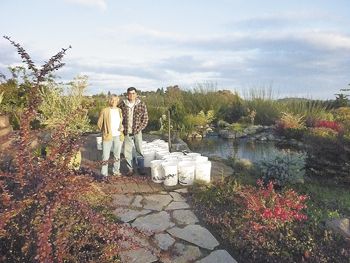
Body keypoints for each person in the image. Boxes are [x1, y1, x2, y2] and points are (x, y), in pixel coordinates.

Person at [119, 87, 148, 175]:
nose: (131, 95)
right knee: (127, 151)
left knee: (139, 150)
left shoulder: (141, 104)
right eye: (130, 93)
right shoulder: (122, 105)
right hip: (126, 132)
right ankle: (130, 169)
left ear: (136, 94)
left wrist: (139, 128)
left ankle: (141, 168)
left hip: (137, 132)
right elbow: (118, 117)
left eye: (133, 93)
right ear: (127, 94)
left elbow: (145, 118)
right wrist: (120, 127)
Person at [97, 95, 124, 178]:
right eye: (112, 100)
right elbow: (99, 124)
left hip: (118, 135)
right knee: (105, 155)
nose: (113, 101)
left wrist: (122, 127)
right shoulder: (105, 110)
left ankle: (116, 171)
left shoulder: (119, 110)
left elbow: (121, 122)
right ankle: (104, 174)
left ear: (118, 101)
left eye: (115, 100)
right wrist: (105, 130)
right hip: (108, 136)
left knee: (117, 155)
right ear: (109, 101)